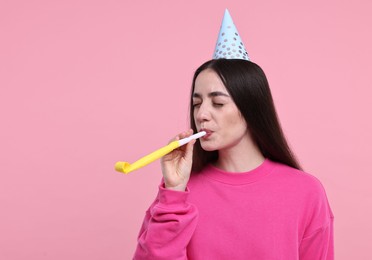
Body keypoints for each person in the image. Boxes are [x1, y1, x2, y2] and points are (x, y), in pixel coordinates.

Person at [133, 10, 334, 260]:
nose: (202, 115)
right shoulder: (178, 194)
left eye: (217, 103)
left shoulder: (306, 192)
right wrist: (173, 192)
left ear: (251, 109)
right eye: (197, 104)